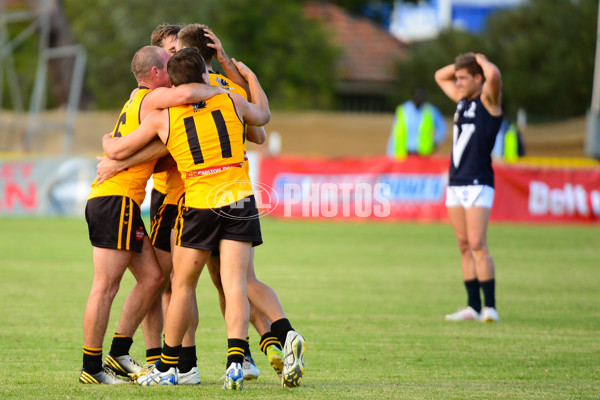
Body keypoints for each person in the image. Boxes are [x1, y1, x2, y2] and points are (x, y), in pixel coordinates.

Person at [102, 47, 271, 390]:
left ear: (173, 82)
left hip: (199, 203)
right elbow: (263, 118)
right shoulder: (233, 100)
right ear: (205, 74)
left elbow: (117, 149)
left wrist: (109, 144)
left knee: (181, 286)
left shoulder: (165, 117)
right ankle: (236, 361)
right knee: (235, 282)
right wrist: (250, 78)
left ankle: (168, 366)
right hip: (239, 199)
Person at [80, 45, 221, 385]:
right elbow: (189, 92)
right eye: (167, 69)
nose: (172, 77)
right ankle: (91, 367)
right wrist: (220, 89)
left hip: (118, 202)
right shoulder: (152, 99)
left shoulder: (136, 100)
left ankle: (118, 352)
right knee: (105, 286)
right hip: (116, 201)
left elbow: (160, 144)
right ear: (156, 74)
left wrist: (117, 153)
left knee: (154, 279)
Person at [177, 23, 306, 387]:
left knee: (195, 284)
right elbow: (260, 133)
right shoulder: (229, 89)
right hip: (238, 192)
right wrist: (241, 76)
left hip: (195, 196)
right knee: (239, 281)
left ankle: (183, 364)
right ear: (213, 52)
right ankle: (275, 339)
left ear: (181, 54)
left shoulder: (173, 92)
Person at [434, 52, 502, 323]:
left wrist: (481, 61)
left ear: (478, 78)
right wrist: (462, 65)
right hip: (456, 181)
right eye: (457, 78)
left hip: (478, 181)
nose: (458, 82)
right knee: (463, 245)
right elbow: (440, 76)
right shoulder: (462, 101)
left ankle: (490, 307)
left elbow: (494, 76)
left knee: (477, 243)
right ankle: (472, 306)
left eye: (464, 78)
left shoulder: (489, 101)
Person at [387, 86, 446, 159]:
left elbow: (442, 127)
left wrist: (436, 142)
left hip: (423, 153)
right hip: (404, 153)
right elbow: (395, 132)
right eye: (418, 94)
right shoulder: (403, 109)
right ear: (413, 95)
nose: (420, 97)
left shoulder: (431, 110)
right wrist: (390, 153)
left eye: (422, 94)